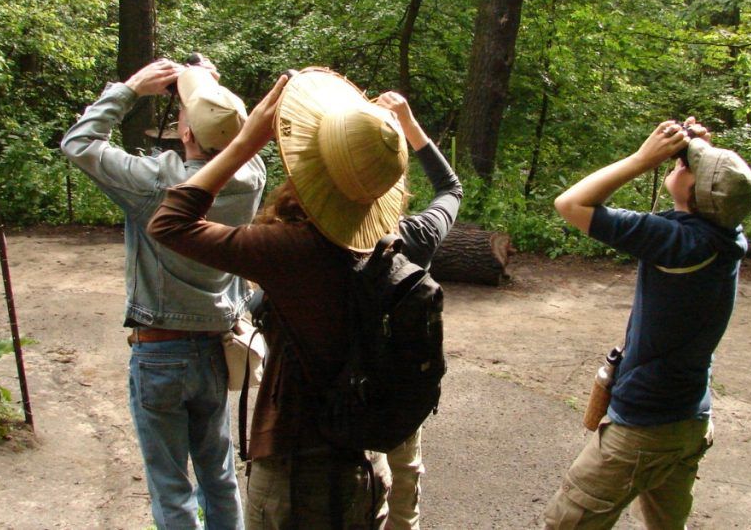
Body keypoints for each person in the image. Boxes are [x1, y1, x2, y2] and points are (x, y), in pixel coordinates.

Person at [148, 68, 457, 529]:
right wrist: (409, 129)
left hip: (296, 478)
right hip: (365, 468)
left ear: (308, 165)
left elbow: (169, 223)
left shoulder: (291, 251)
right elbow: (451, 191)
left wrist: (246, 141)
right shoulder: (405, 240)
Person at [61, 57, 265, 530]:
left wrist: (131, 88)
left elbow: (79, 143)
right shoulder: (251, 178)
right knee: (219, 476)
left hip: (159, 351)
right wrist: (209, 90)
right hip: (218, 348)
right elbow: (239, 136)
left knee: (171, 485)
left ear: (189, 133)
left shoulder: (156, 180)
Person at [543, 118, 751, 530]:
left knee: (565, 523)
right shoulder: (723, 235)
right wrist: (696, 151)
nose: (678, 165)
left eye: (685, 166)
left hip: (645, 425)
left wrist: (642, 160)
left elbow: (571, 204)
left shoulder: (677, 242)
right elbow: (716, 193)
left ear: (696, 194)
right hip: (689, 418)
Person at [371, 91, 462, 530]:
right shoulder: (416, 236)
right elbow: (450, 187)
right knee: (404, 495)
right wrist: (409, 123)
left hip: (335, 400)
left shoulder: (313, 240)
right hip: (402, 395)